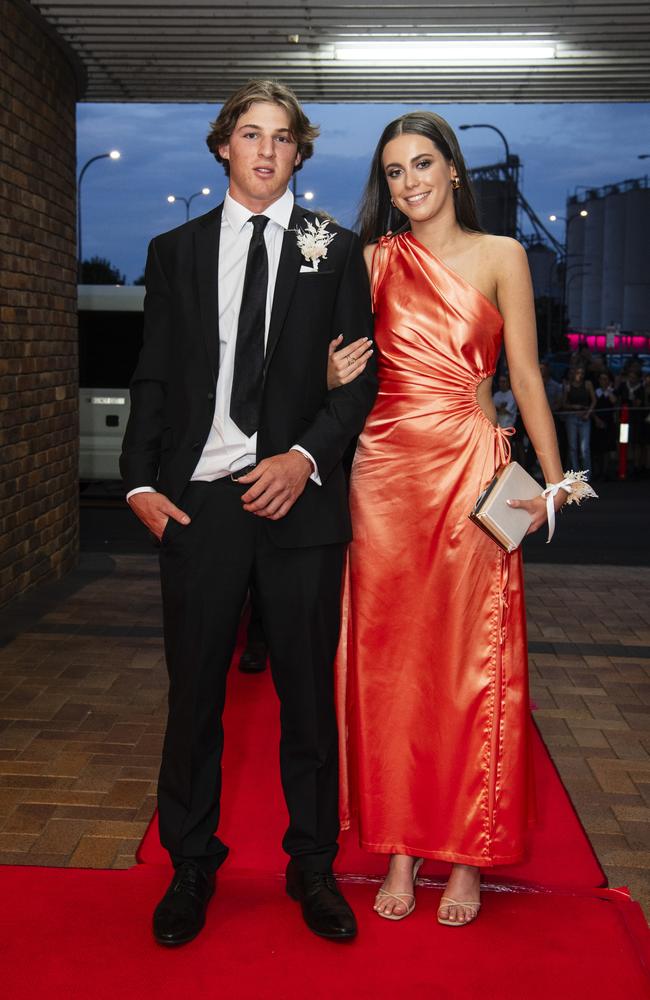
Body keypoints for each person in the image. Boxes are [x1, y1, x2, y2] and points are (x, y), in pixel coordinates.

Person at [120, 79, 377, 946]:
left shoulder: (333, 249)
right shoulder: (176, 250)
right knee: (193, 695)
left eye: (282, 138)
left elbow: (360, 380)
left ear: (300, 153)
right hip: (198, 502)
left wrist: (303, 459)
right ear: (223, 146)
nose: (265, 151)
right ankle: (191, 862)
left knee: (307, 698)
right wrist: (138, 482)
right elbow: (153, 370)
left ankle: (312, 866)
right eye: (249, 135)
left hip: (300, 503)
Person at [334, 111, 574, 929]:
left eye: (423, 163)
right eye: (395, 171)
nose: (410, 182)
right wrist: (330, 370)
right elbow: (339, 377)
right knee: (392, 667)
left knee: (472, 658)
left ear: (455, 170)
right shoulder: (370, 260)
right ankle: (401, 845)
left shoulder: (503, 255)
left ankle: (467, 853)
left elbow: (527, 376)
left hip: (473, 475)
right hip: (383, 477)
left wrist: (552, 476)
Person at [563, 366, 596, 474]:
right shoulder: (568, 386)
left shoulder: (588, 384)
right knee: (573, 447)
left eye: (582, 373)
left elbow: (594, 400)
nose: (580, 375)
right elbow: (564, 404)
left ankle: (587, 474)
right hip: (572, 416)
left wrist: (588, 414)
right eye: (577, 372)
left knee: (584, 448)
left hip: (585, 417)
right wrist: (574, 407)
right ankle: (576, 473)